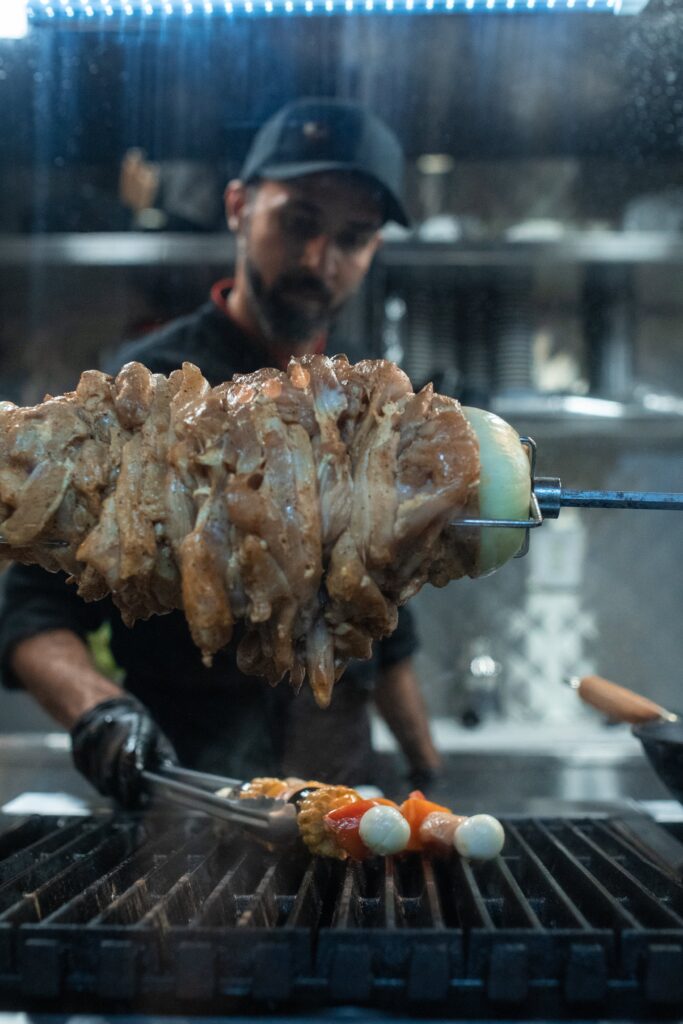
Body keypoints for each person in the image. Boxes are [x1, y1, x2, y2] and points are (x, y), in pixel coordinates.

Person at [0, 99, 441, 807]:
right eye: (296, 222)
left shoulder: (363, 414)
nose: (317, 260)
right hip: (191, 799)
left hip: (345, 800)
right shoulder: (139, 399)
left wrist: (426, 772)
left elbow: (385, 628)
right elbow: (31, 617)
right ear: (238, 207)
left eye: (352, 237)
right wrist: (100, 712)